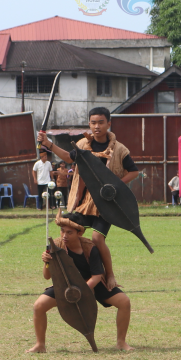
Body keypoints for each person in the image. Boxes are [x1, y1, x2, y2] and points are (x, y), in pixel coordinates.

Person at [37, 107, 139, 290]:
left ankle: (110, 275)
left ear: (109, 123)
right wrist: (48, 143)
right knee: (67, 231)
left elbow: (133, 172)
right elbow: (68, 158)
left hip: (105, 206)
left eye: (101, 122)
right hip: (82, 202)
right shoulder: (83, 144)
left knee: (97, 239)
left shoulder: (120, 149)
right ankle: (66, 273)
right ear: (89, 124)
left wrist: (115, 185)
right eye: (93, 123)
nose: (97, 126)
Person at [27, 210, 132, 353]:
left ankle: (121, 342)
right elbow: (47, 276)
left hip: (92, 284)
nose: (64, 235)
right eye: (62, 231)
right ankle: (40, 345)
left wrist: (82, 291)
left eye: (69, 232)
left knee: (124, 302)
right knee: (39, 306)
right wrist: (46, 262)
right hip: (65, 284)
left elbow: (96, 276)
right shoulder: (55, 246)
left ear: (79, 233)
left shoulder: (90, 247)